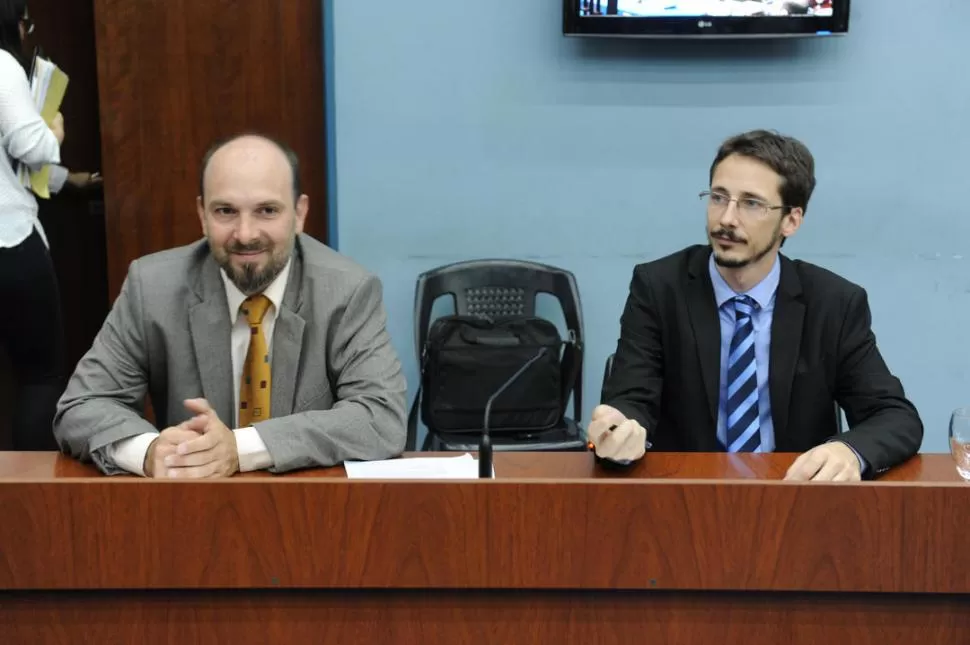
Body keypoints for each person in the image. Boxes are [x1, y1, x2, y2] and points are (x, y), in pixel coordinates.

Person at [54, 133, 408, 477]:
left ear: (300, 214)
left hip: (309, 514)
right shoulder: (153, 286)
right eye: (225, 211)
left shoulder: (347, 291)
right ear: (202, 214)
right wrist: (148, 452)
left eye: (267, 210)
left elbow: (380, 417)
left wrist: (239, 448)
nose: (245, 234)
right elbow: (83, 406)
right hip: (193, 511)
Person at [588, 129, 922, 481]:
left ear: (791, 220)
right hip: (683, 499)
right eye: (718, 197)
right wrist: (618, 428)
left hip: (794, 500)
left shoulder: (833, 303)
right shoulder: (659, 287)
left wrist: (849, 451)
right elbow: (631, 398)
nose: (726, 219)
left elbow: (895, 417)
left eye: (751, 203)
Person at [0, 0, 68, 450]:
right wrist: (55, 131)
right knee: (41, 377)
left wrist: (68, 180)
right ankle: (30, 507)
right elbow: (30, 145)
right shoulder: (2, 63)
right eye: (25, 22)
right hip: (9, 242)